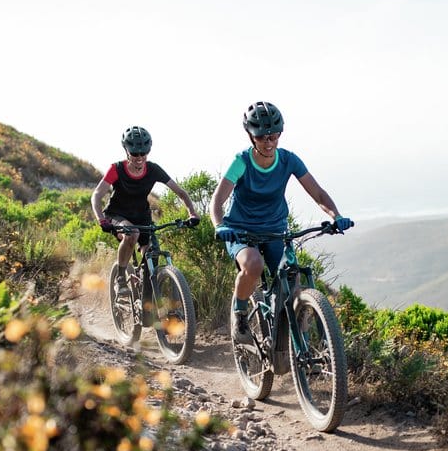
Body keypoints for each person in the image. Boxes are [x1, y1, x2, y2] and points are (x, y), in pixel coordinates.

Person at [210, 101, 353, 342]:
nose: (269, 143)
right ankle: (240, 313)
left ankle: (301, 351)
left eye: (274, 137)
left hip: (275, 230)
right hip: (240, 231)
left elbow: (317, 193)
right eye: (262, 137)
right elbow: (217, 200)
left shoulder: (288, 160)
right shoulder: (242, 161)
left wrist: (335, 216)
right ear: (251, 136)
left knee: (294, 285)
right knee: (253, 265)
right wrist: (219, 225)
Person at [91, 126, 200, 285]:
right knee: (132, 233)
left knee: (152, 253)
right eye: (135, 153)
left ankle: (145, 294)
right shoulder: (117, 169)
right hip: (116, 215)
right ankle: (120, 277)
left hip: (142, 216)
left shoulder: (153, 169)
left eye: (144, 153)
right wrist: (101, 219)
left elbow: (181, 193)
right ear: (127, 151)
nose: (140, 157)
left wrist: (192, 213)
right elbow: (96, 195)